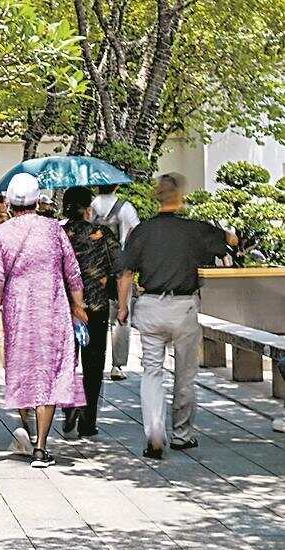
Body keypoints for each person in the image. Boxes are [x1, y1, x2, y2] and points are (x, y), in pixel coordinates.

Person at [116, 172, 236, 459]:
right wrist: (226, 232)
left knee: (151, 371)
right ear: (180, 197)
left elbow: (126, 272)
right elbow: (230, 241)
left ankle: (155, 432)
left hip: (151, 305)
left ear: (156, 197)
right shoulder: (195, 229)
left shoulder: (142, 231)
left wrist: (122, 307)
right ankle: (182, 433)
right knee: (185, 373)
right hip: (183, 307)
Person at [0, 172, 87, 467]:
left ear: (9, 204)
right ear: (38, 202)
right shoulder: (53, 229)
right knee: (50, 373)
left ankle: (25, 427)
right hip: (52, 310)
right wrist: (78, 305)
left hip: (19, 312)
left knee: (24, 369)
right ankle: (41, 447)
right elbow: (72, 270)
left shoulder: (0, 234)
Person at [60, 186, 119, 439]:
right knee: (93, 365)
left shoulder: (58, 234)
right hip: (95, 307)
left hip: (64, 308)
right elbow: (119, 265)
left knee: (65, 362)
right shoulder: (102, 233)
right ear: (87, 208)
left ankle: (69, 406)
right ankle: (88, 420)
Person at [93, 183, 142, 382]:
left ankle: (95, 361)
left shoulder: (91, 206)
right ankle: (117, 365)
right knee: (121, 316)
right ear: (117, 185)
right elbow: (136, 234)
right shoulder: (125, 208)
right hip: (119, 268)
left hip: (95, 269)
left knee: (96, 317)